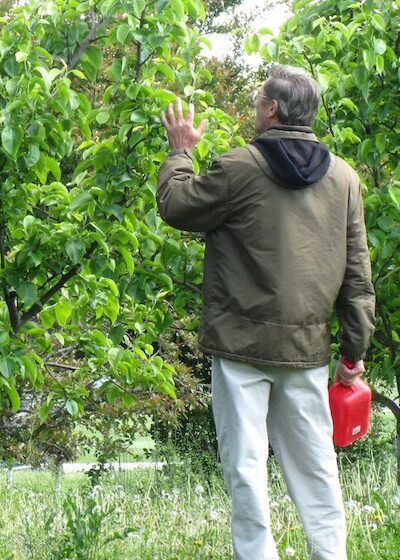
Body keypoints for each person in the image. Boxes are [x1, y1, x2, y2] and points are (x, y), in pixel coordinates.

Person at [156, 64, 375, 560]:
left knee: (247, 468)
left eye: (258, 101)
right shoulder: (344, 178)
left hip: (240, 349)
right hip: (307, 350)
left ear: (272, 109)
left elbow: (176, 206)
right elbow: (358, 277)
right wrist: (353, 351)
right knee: (317, 467)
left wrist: (181, 150)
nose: (255, 108)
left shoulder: (238, 167)